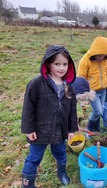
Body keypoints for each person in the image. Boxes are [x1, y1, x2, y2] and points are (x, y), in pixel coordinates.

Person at [21, 45, 78, 187]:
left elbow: (72, 110)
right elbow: (28, 108)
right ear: (48, 64)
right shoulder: (36, 84)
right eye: (57, 64)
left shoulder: (68, 86)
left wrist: (71, 129)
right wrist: (29, 129)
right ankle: (27, 182)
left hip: (59, 129)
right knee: (34, 157)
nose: (61, 68)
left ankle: (61, 172)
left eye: (65, 64)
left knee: (60, 152)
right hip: (40, 131)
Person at [77, 36, 107, 132]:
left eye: (104, 55)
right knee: (98, 111)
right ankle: (89, 128)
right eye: (100, 55)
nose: (102, 57)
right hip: (92, 92)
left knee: (99, 111)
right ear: (95, 51)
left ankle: (96, 128)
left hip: (103, 90)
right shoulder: (85, 61)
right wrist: (84, 92)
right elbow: (81, 77)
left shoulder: (105, 61)